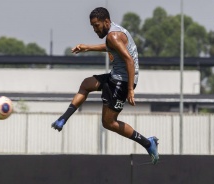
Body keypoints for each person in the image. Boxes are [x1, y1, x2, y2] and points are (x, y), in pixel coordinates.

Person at [52, 7, 159, 164]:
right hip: (116, 76)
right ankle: (63, 118)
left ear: (106, 21)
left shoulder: (113, 36)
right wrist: (87, 47)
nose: (95, 29)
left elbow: (129, 60)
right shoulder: (114, 32)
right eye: (92, 26)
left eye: (96, 25)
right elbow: (111, 47)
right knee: (86, 84)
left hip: (122, 82)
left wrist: (130, 89)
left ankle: (148, 143)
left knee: (108, 122)